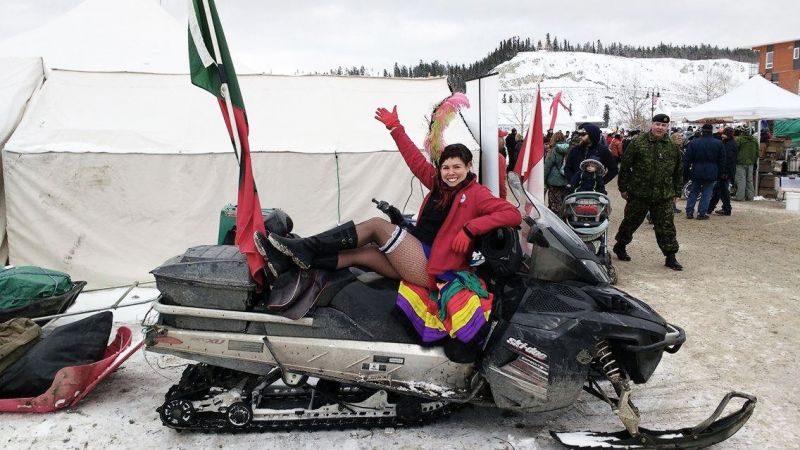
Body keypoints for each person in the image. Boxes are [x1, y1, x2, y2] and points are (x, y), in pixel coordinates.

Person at [255, 105, 522, 289]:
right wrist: (396, 128)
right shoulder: (438, 183)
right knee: (361, 254)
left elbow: (513, 214)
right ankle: (289, 264)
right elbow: (415, 160)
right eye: (446, 167)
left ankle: (305, 247)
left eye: (457, 167)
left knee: (375, 226)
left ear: (468, 168)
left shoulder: (477, 194)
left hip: (435, 266)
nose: (450, 173)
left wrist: (469, 228)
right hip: (416, 253)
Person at [613, 113, 684, 271]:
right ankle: (620, 246)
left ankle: (670, 256)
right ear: (652, 125)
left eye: (663, 125)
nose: (660, 127)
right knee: (630, 222)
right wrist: (623, 188)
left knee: (666, 227)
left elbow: (678, 171)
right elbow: (625, 167)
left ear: (667, 127)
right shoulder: (638, 143)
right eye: (657, 124)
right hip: (639, 193)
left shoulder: (672, 147)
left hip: (663, 195)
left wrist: (677, 192)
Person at [683, 124, 725, 220]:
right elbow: (722, 160)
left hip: (697, 169)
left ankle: (689, 211)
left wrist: (686, 172)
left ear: (702, 131)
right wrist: (721, 173)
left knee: (694, 191)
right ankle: (701, 213)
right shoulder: (718, 143)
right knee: (707, 192)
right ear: (712, 131)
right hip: (712, 170)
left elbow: (688, 159)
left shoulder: (694, 142)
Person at [707, 127, 738, 216]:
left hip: (725, 172)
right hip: (726, 171)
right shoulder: (731, 143)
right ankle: (710, 208)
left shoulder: (729, 145)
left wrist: (724, 172)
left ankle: (726, 209)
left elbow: (727, 160)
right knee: (718, 190)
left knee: (723, 191)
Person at [543, 132, 570, 215]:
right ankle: (565, 220)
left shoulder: (553, 150)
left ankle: (556, 223)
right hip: (566, 180)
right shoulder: (570, 149)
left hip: (554, 181)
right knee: (564, 202)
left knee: (554, 203)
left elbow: (547, 167)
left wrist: (543, 179)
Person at [734, 127, 759, 201]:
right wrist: (754, 161)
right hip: (751, 163)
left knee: (741, 180)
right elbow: (757, 152)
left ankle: (740, 197)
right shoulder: (754, 140)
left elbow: (735, 151)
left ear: (741, 132)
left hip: (740, 162)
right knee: (749, 180)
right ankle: (750, 197)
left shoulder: (739, 140)